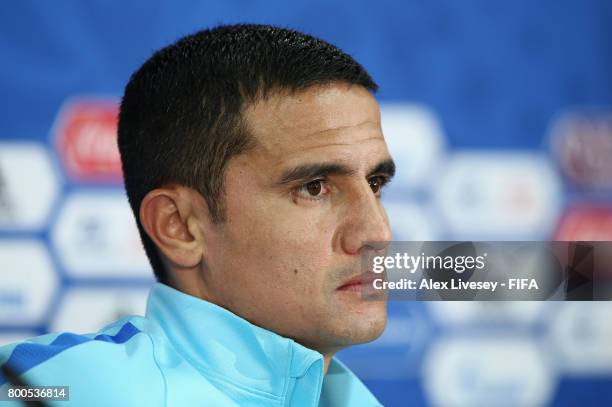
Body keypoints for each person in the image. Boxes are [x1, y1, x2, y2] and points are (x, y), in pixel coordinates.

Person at [0, 24, 395, 406]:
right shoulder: (50, 389)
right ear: (180, 227)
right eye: (314, 187)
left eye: (375, 183)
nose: (377, 232)